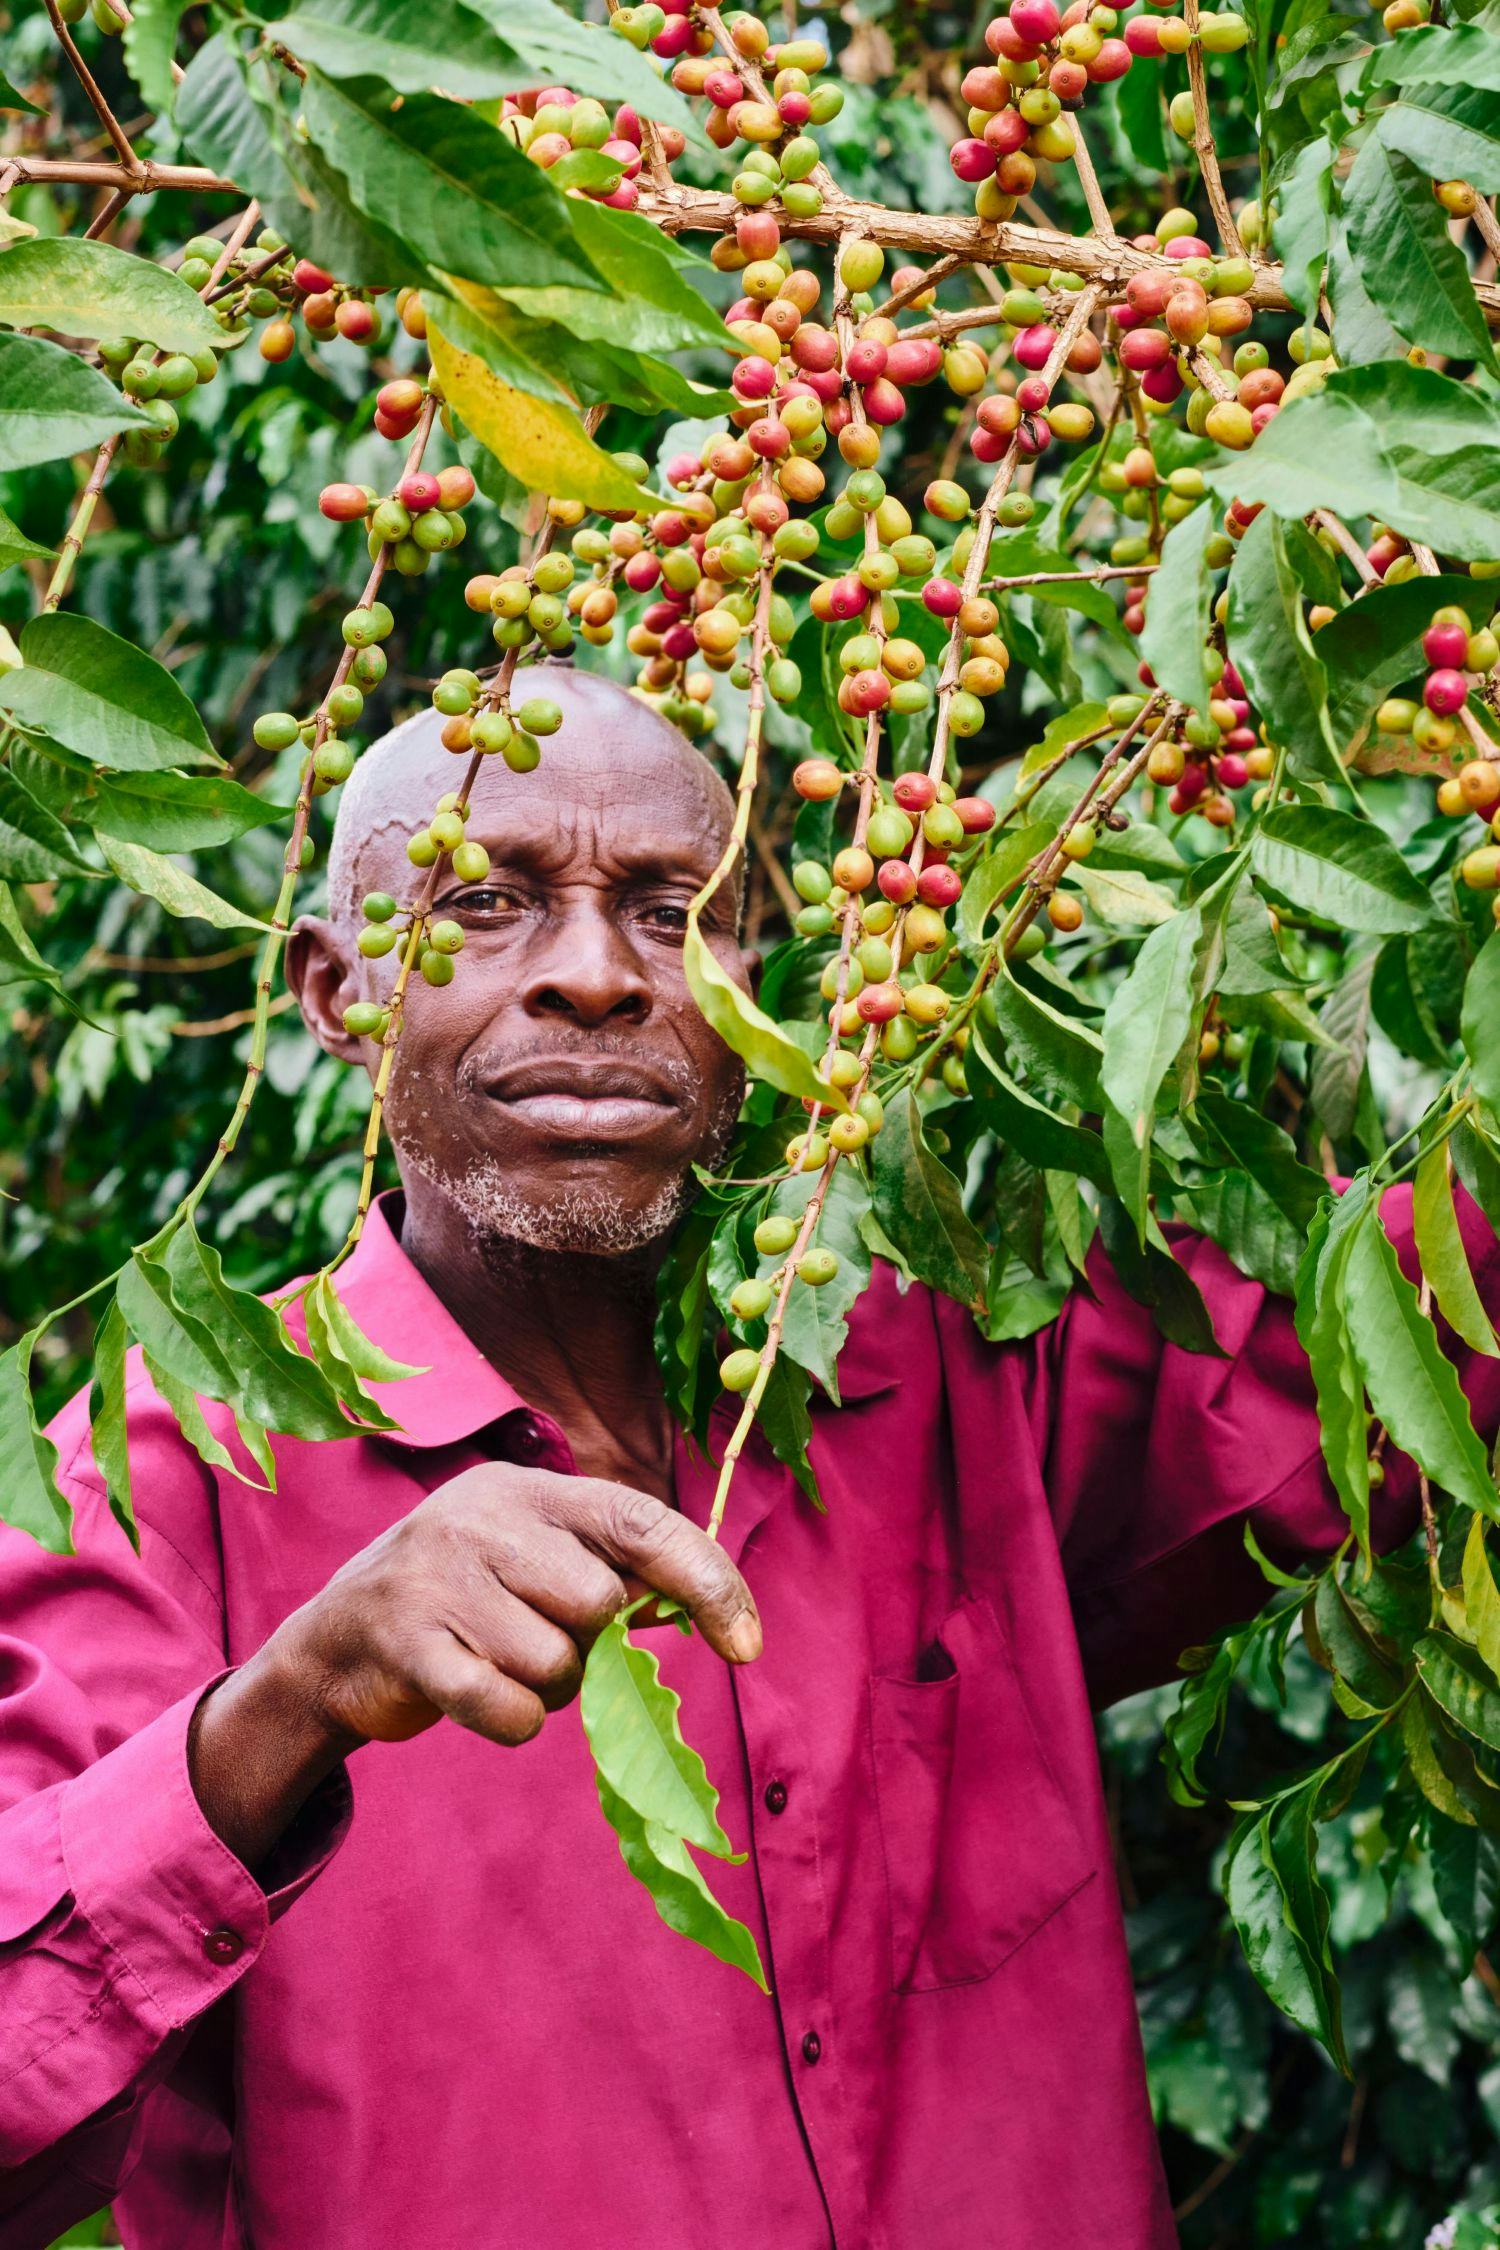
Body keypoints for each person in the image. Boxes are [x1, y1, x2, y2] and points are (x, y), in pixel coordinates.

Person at [1, 669, 1495, 2250]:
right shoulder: (165, 1476)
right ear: (333, 989)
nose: (596, 975)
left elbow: (1403, 1333)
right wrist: (292, 1700)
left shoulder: (944, 1356)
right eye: (488, 902)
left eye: (670, 913)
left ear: (748, 993)